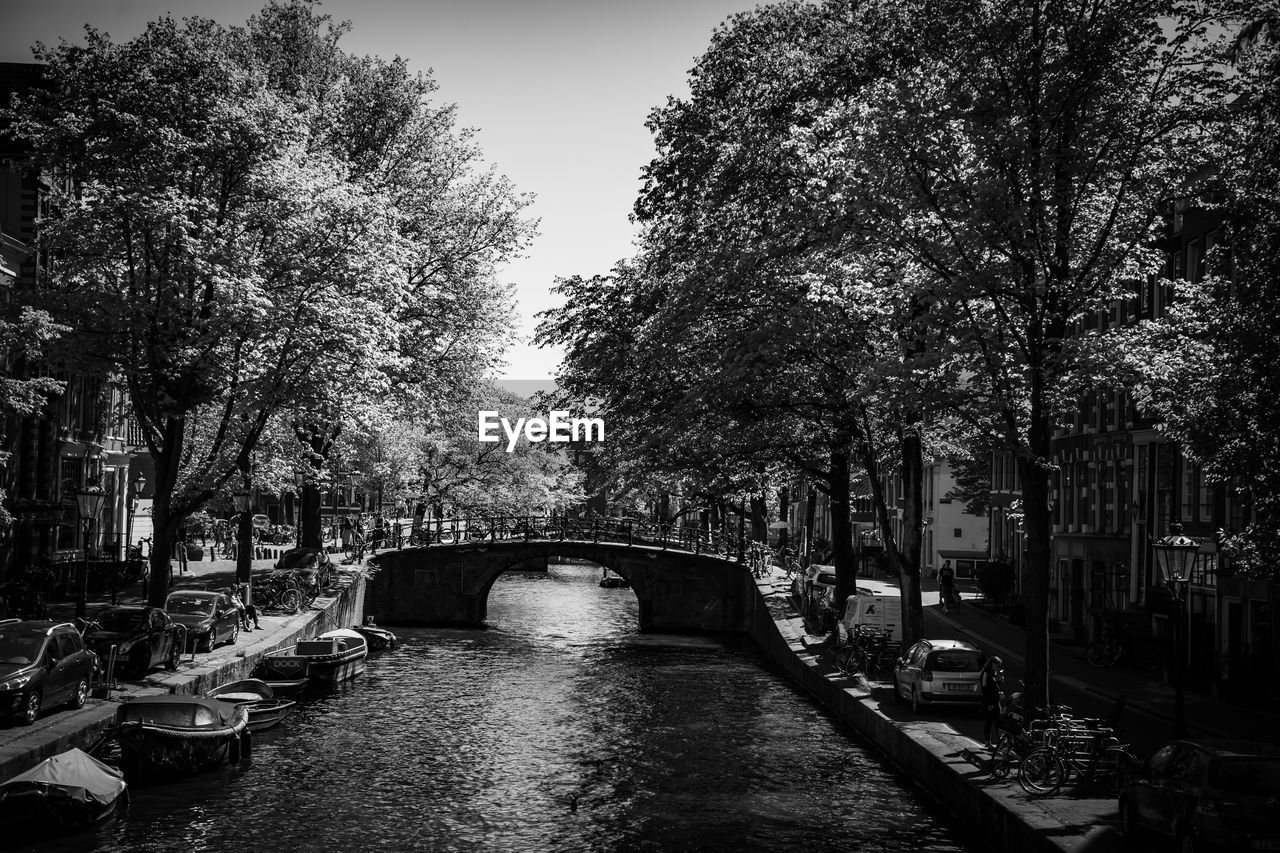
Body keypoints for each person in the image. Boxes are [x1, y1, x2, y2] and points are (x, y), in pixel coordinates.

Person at [979, 656, 1005, 746]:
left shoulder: (993, 673)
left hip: (995, 701)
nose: (998, 668)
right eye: (997, 666)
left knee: (999, 721)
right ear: (992, 664)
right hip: (989, 702)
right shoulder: (985, 674)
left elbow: (995, 686)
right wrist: (989, 704)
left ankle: (1000, 742)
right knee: (989, 721)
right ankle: (987, 742)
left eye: (999, 666)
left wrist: (1000, 682)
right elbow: (985, 689)